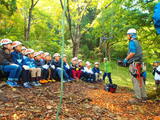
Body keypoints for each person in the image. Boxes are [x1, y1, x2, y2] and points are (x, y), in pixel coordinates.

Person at [123, 28, 147, 102]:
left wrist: (126, 59)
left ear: (131, 35)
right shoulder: (138, 42)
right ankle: (144, 96)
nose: (127, 36)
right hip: (140, 63)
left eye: (128, 34)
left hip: (134, 64)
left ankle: (138, 97)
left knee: (135, 79)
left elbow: (132, 53)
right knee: (140, 79)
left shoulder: (132, 42)